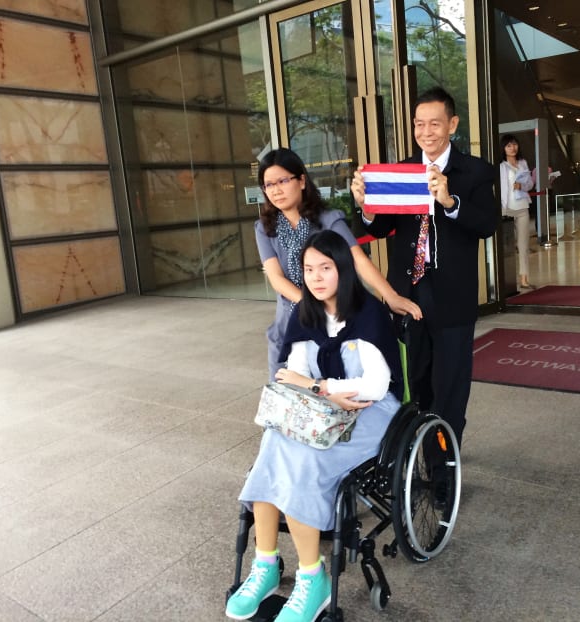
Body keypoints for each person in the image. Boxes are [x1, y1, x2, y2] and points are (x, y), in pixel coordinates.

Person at [226, 230, 403, 622]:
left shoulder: (367, 312)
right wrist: (323, 391)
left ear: (343, 268)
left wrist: (325, 388)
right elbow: (294, 373)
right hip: (324, 407)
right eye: (308, 269)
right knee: (273, 444)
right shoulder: (305, 312)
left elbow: (373, 386)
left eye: (326, 268)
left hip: (372, 412)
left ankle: (312, 578)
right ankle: (266, 563)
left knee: (305, 457)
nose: (316, 277)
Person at [350, 87, 498, 448]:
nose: (426, 131)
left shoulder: (475, 172)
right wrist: (366, 207)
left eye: (435, 123)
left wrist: (450, 201)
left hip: (452, 296)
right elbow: (382, 228)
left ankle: (445, 465)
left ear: (452, 124)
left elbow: (488, 224)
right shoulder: (400, 171)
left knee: (450, 386)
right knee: (415, 381)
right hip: (407, 293)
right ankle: (418, 456)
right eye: (419, 124)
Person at [255, 148, 421, 380]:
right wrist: (311, 305)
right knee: (289, 400)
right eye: (268, 185)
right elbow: (276, 279)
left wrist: (390, 296)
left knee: (339, 394)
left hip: (338, 320)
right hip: (292, 323)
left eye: (282, 180)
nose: (276, 190)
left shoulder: (327, 219)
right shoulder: (265, 228)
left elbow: (358, 260)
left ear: (302, 181)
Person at [498, 134, 535, 291]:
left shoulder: (523, 163)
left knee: (523, 244)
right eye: (509, 146)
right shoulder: (501, 165)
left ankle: (524, 278)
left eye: (514, 145)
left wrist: (522, 186)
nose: (513, 148)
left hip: (522, 207)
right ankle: (505, 280)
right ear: (503, 148)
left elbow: (530, 184)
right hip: (506, 208)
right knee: (506, 245)